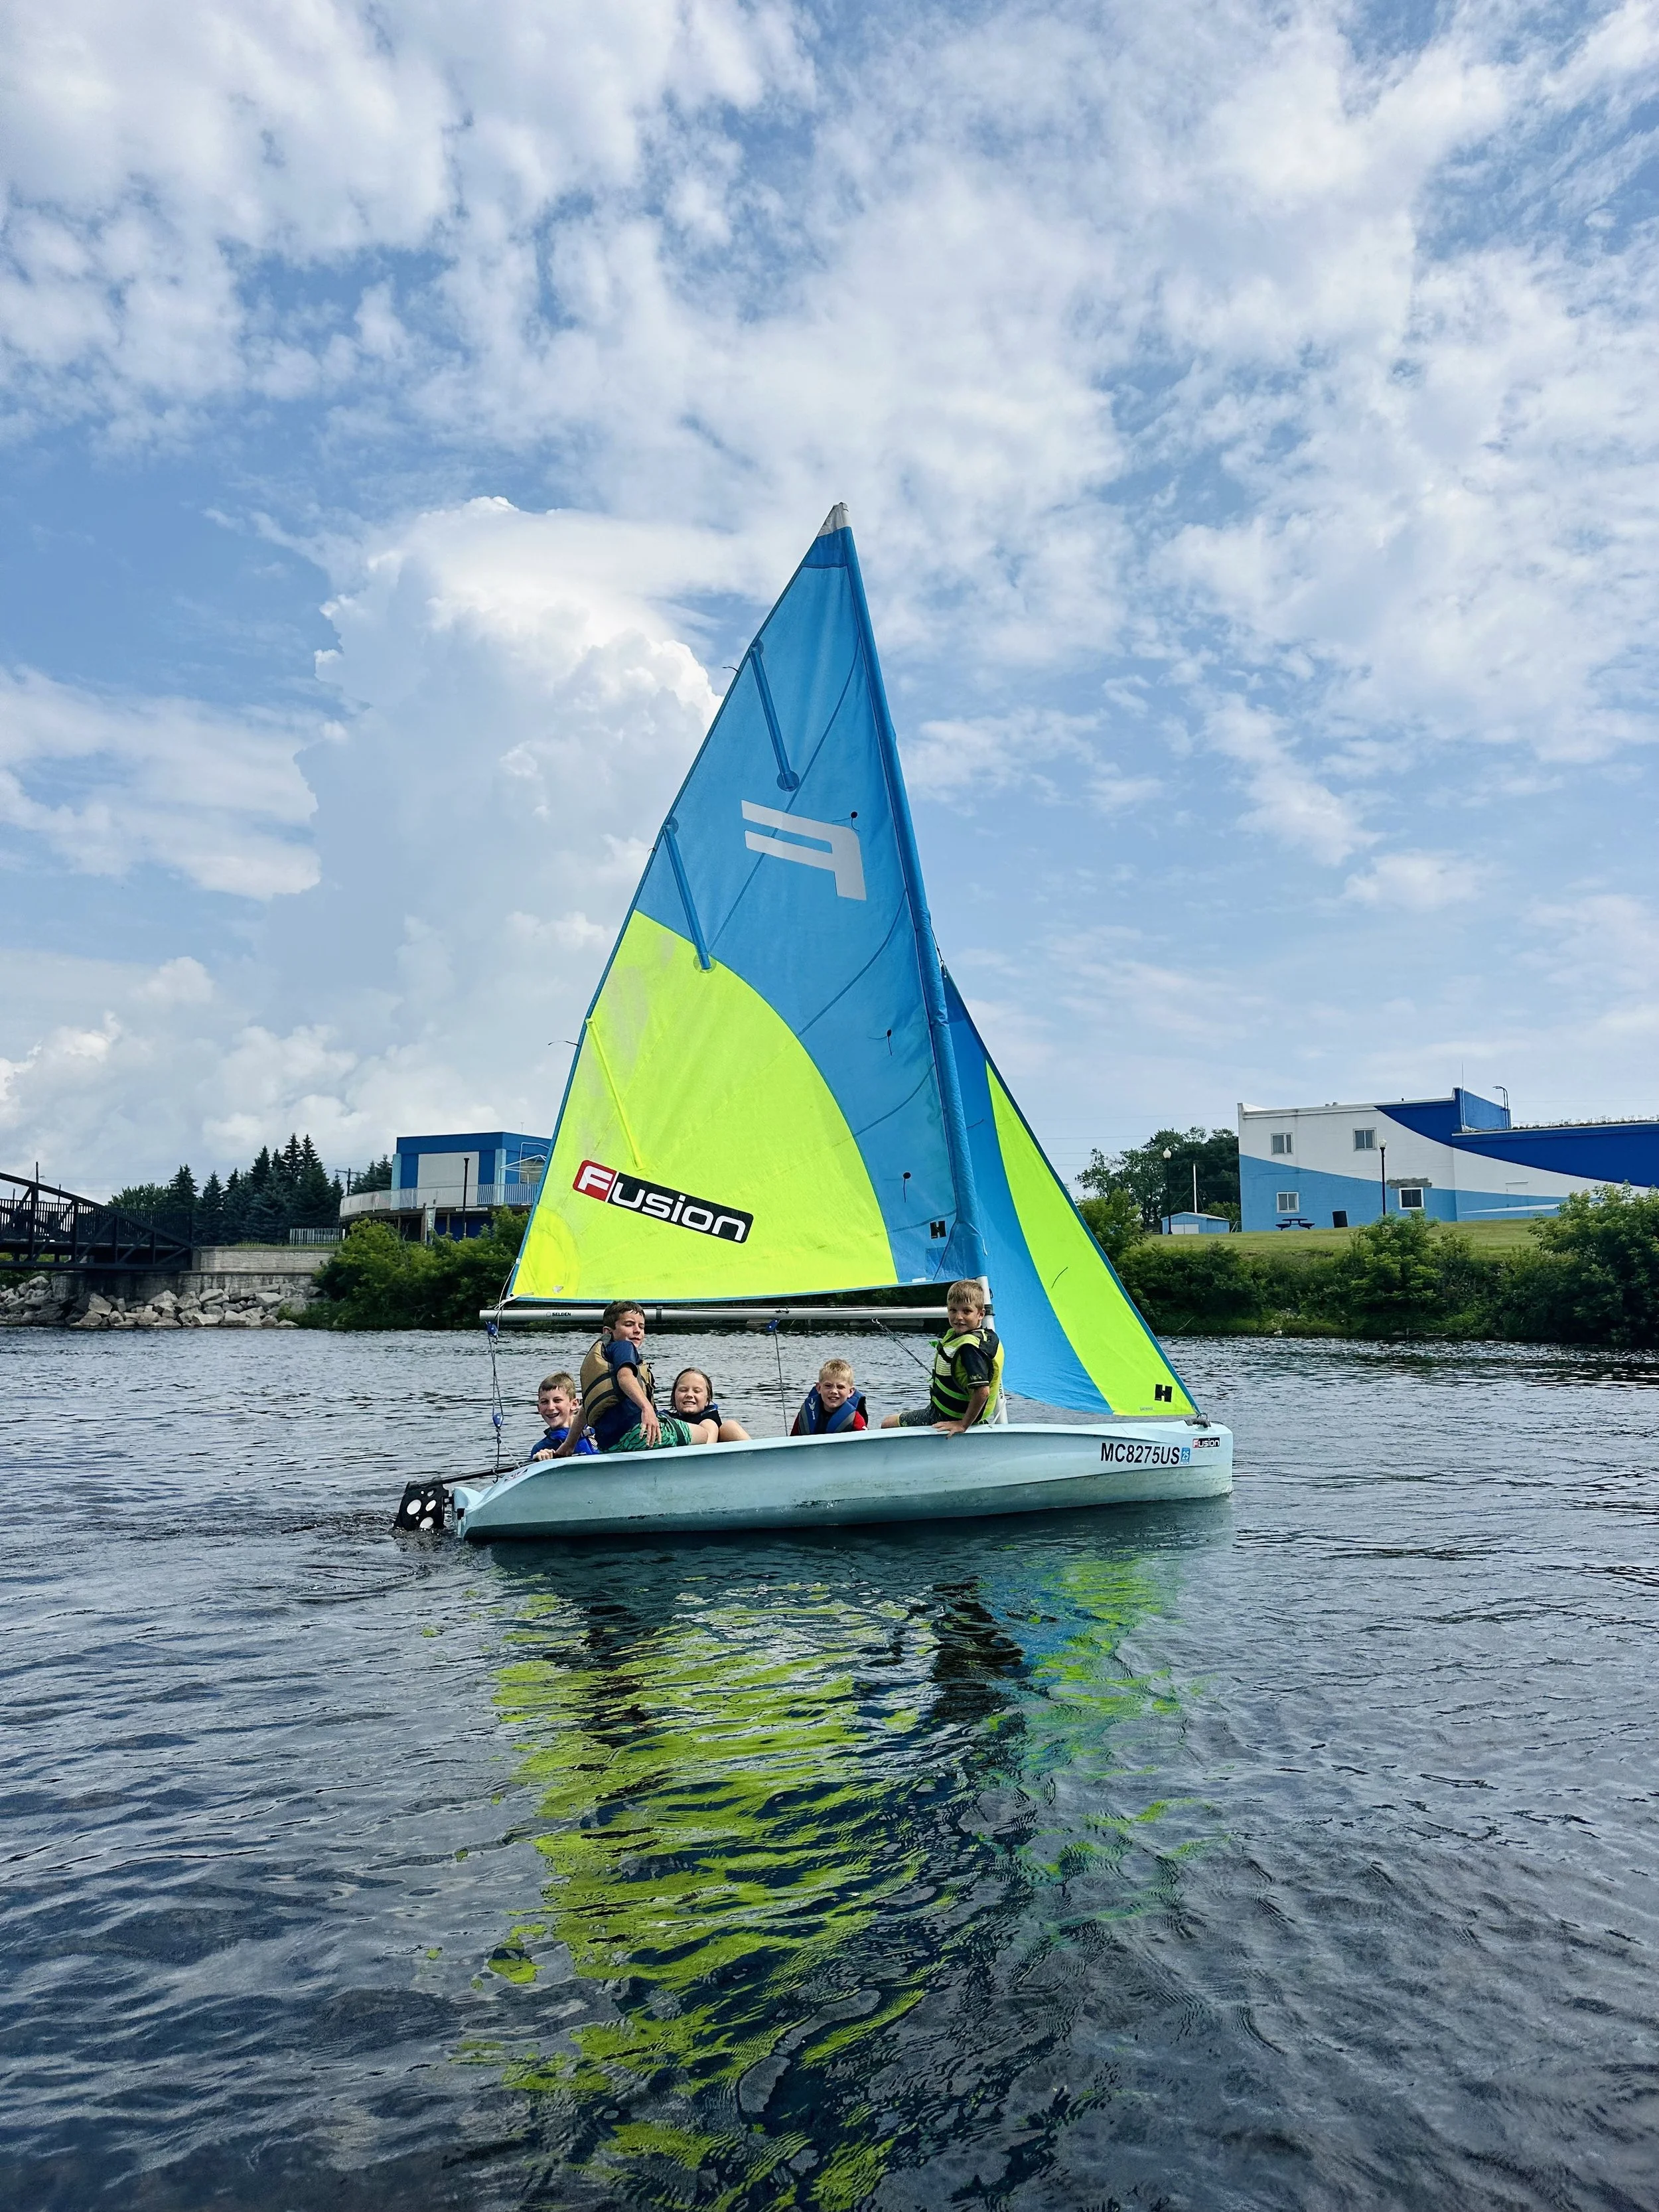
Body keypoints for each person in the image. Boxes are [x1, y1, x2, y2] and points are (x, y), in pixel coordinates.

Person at [556, 1301, 713, 1456]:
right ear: (607, 1331)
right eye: (629, 1324)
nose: (637, 1330)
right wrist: (647, 1409)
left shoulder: (604, 1357)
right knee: (703, 1432)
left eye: (641, 1326)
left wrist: (568, 1445)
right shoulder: (624, 1346)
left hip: (609, 1445)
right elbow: (625, 1377)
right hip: (638, 1433)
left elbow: (587, 1408)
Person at [881, 1280, 1003, 1436]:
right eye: (953, 1310)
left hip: (947, 1416)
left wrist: (963, 1425)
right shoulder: (981, 1337)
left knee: (887, 1423)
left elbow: (982, 1391)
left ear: (981, 1314)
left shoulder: (970, 1349)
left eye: (966, 1311)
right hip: (955, 1412)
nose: (958, 1317)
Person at [528, 1372, 596, 1459]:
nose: (551, 1407)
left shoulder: (598, 1431)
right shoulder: (541, 1448)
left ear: (574, 1404)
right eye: (544, 1402)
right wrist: (540, 1460)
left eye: (557, 1400)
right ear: (539, 1408)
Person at [792, 1357, 868, 1435]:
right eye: (828, 1386)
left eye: (840, 1387)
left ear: (850, 1392)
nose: (834, 1391)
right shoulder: (806, 1411)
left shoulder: (855, 1419)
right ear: (819, 1388)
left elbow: (866, 1443)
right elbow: (792, 1439)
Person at [671, 1367, 750, 1441]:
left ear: (707, 1400)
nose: (689, 1395)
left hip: (716, 1442)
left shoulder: (710, 1422)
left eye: (697, 1391)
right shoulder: (666, 1421)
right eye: (683, 1390)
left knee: (729, 1426)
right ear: (674, 1397)